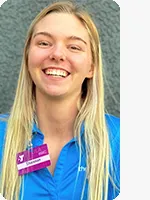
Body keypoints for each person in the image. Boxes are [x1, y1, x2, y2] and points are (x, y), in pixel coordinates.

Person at [0, 1, 120, 200]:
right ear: (28, 57)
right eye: (44, 43)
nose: (57, 54)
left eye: (74, 46)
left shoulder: (123, 143)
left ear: (91, 67)